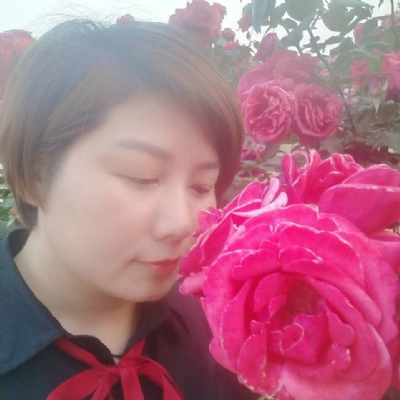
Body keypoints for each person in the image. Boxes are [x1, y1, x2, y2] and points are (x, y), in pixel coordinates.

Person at [0, 19, 256, 399]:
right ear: (36, 177)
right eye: (142, 177)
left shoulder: (213, 324)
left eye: (202, 186)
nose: (182, 223)